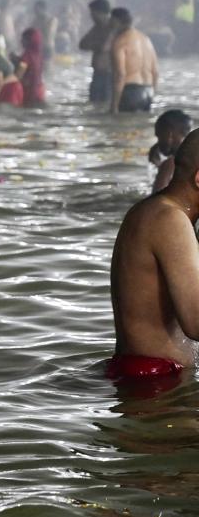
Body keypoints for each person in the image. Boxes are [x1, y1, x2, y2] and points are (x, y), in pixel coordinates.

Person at [107, 129, 199, 381]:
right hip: (154, 384)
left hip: (148, 376)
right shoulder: (169, 220)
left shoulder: (155, 211)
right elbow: (196, 321)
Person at [109, 8, 159, 114]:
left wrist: (114, 105)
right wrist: (152, 95)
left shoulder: (120, 41)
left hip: (131, 91)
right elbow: (155, 72)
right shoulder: (146, 40)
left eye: (111, 21)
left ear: (116, 21)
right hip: (148, 90)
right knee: (142, 128)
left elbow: (120, 74)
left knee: (123, 128)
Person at [80, 0, 115, 104]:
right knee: (94, 104)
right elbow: (82, 44)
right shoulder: (97, 28)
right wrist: (97, 44)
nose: (91, 16)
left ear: (101, 12)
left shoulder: (113, 27)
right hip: (97, 74)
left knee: (105, 104)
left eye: (93, 13)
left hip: (110, 74)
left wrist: (94, 44)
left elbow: (104, 47)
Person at [150, 110, 193, 192]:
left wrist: (163, 171)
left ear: (169, 134)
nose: (158, 142)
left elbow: (156, 200)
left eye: (159, 136)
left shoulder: (171, 164)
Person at [15, 27, 46, 106]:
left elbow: (19, 74)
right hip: (40, 90)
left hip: (29, 92)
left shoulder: (26, 56)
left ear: (29, 41)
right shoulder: (39, 56)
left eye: (23, 39)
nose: (21, 41)